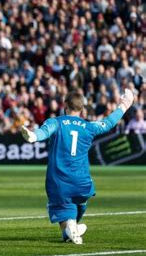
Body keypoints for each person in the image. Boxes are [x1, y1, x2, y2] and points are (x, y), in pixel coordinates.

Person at [21, 89, 134, 244]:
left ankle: (70, 226)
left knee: (61, 208)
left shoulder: (56, 122)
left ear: (65, 105)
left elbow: (43, 132)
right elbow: (108, 123)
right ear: (82, 109)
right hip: (82, 182)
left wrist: (33, 136)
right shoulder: (88, 126)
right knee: (78, 203)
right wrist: (125, 104)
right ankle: (71, 229)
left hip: (59, 180)